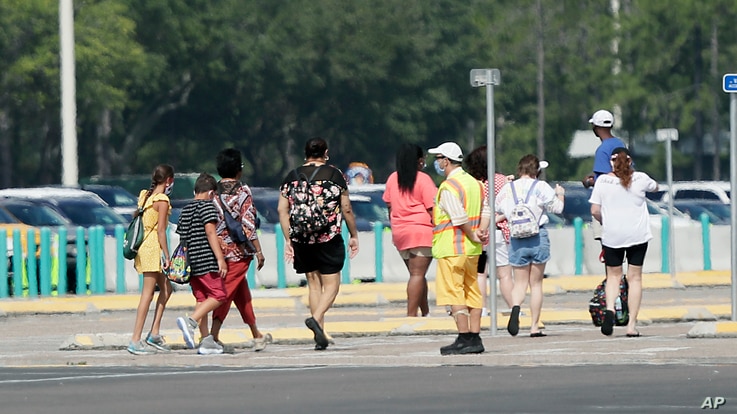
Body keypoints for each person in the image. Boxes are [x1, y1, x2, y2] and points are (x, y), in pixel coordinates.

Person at [277, 137, 359, 350]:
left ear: (305, 154)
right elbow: (347, 208)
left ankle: (319, 332)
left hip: (301, 238)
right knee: (331, 285)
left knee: (314, 284)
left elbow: (281, 210)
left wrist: (289, 239)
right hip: (328, 237)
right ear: (326, 153)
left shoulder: (291, 177)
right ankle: (317, 317)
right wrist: (353, 234)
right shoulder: (334, 175)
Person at [428, 142, 490, 355]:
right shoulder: (476, 184)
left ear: (446, 161)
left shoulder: (448, 187)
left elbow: (458, 217)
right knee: (472, 292)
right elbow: (487, 211)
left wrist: (472, 233)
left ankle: (463, 338)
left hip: (451, 248)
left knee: (454, 295)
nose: (436, 162)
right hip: (472, 250)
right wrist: (480, 231)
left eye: (438, 158)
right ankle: (475, 337)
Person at [206, 148, 271, 352]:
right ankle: (212, 336)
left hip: (218, 250)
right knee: (224, 294)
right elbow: (249, 225)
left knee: (241, 294)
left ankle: (256, 333)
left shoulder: (212, 193)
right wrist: (258, 251)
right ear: (239, 171)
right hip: (238, 254)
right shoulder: (243, 193)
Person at [589, 147, 658, 337]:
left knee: (613, 277)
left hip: (612, 235)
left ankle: (610, 309)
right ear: (629, 161)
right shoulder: (641, 178)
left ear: (611, 163)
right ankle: (631, 325)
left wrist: (606, 221)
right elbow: (656, 187)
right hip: (638, 235)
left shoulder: (602, 181)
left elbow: (595, 210)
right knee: (634, 278)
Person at [496, 155, 564, 338]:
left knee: (519, 283)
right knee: (536, 285)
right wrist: (560, 194)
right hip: (537, 236)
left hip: (517, 238)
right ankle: (534, 326)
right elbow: (557, 208)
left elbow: (497, 208)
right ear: (537, 171)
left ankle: (515, 308)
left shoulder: (508, 188)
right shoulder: (541, 187)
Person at [174, 173, 229, 354]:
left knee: (202, 299)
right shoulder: (207, 207)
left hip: (191, 262)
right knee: (219, 294)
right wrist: (220, 258)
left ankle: (206, 341)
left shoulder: (186, 210)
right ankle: (190, 322)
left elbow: (182, 236)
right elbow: (210, 232)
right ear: (212, 194)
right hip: (206, 259)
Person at [382, 143, 437, 317]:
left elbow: (389, 204)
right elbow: (432, 208)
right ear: (419, 161)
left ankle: (425, 312)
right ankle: (411, 315)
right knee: (417, 275)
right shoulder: (423, 179)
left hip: (400, 233)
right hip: (421, 231)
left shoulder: (392, 178)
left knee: (417, 275)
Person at [127, 164, 175, 355]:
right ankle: (135, 339)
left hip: (145, 248)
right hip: (152, 249)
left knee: (166, 289)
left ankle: (154, 333)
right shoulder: (162, 200)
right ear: (169, 180)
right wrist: (167, 255)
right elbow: (161, 231)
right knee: (147, 294)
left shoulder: (145, 195)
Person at [465, 145, 514, 315]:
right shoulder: (500, 180)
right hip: (498, 231)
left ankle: (482, 308)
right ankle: (513, 307)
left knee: (480, 273)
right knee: (505, 274)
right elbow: (507, 207)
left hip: (478, 232)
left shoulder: (471, 182)